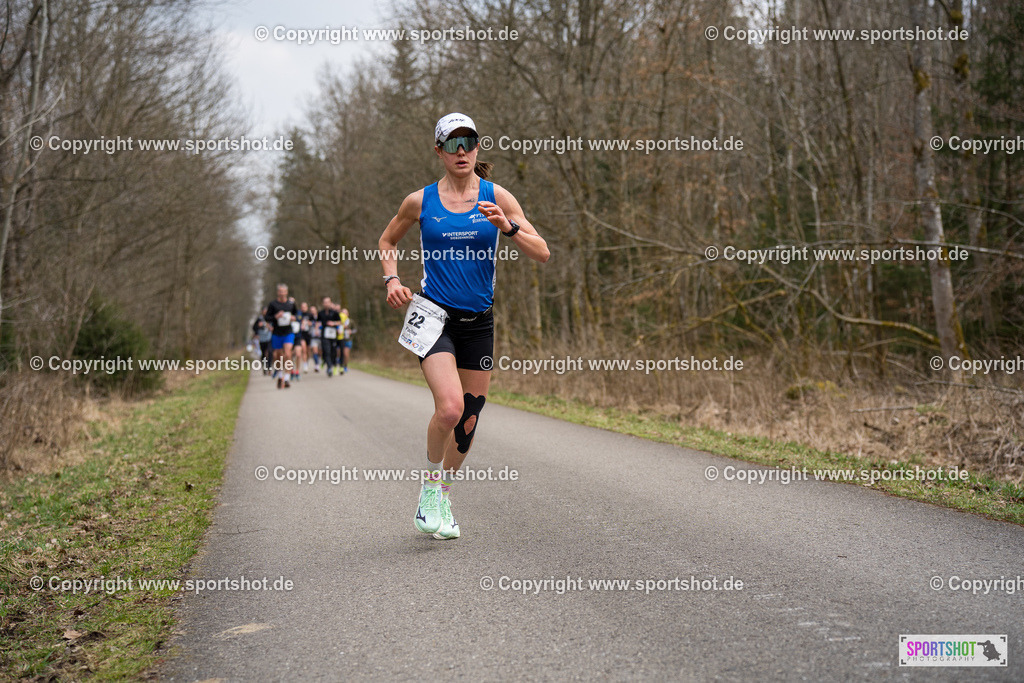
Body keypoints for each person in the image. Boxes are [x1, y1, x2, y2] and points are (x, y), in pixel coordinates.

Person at [379, 112, 549, 539]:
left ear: (477, 148)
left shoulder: (497, 196)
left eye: (468, 143)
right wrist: (393, 279)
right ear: (438, 151)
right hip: (434, 318)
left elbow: (542, 251)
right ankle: (429, 485)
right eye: (451, 144)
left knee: (469, 418)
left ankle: (443, 495)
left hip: (479, 322)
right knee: (450, 407)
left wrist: (507, 228)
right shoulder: (419, 201)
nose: (461, 152)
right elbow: (387, 241)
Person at [264, 284, 299, 389]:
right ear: (277, 292)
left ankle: (287, 378)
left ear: (287, 292)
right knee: (277, 356)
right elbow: (267, 318)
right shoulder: (273, 304)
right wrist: (276, 316)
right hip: (277, 333)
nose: (282, 293)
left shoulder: (291, 304)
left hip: (288, 332)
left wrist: (293, 318)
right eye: (280, 291)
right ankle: (280, 376)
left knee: (288, 354)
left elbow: (297, 315)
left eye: (284, 291)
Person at [253, 309, 273, 375]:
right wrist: (258, 326)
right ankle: (264, 367)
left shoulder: (270, 318)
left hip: (269, 338)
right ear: (262, 312)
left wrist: (271, 328)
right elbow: (254, 327)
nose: (265, 313)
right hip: (262, 339)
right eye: (264, 311)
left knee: (270, 352)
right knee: (264, 353)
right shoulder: (259, 319)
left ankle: (269, 367)